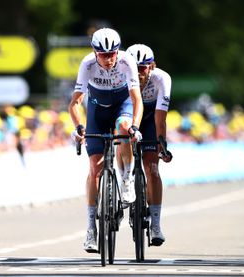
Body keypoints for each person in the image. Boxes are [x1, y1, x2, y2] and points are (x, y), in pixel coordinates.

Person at [69, 28, 143, 253]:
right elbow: (75, 102)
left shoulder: (127, 61)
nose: (109, 59)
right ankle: (91, 228)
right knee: (94, 168)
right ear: (94, 52)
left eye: (113, 53)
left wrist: (135, 127)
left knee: (123, 127)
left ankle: (127, 179)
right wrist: (78, 127)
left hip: (123, 105)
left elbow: (136, 99)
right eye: (104, 54)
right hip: (97, 110)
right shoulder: (87, 64)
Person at [120, 44, 173, 246]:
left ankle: (156, 224)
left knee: (152, 169)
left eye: (143, 67)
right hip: (127, 115)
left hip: (151, 119)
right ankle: (124, 178)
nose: (139, 72)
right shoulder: (122, 76)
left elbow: (160, 119)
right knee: (121, 137)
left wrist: (162, 145)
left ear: (152, 66)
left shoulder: (162, 79)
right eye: (135, 67)